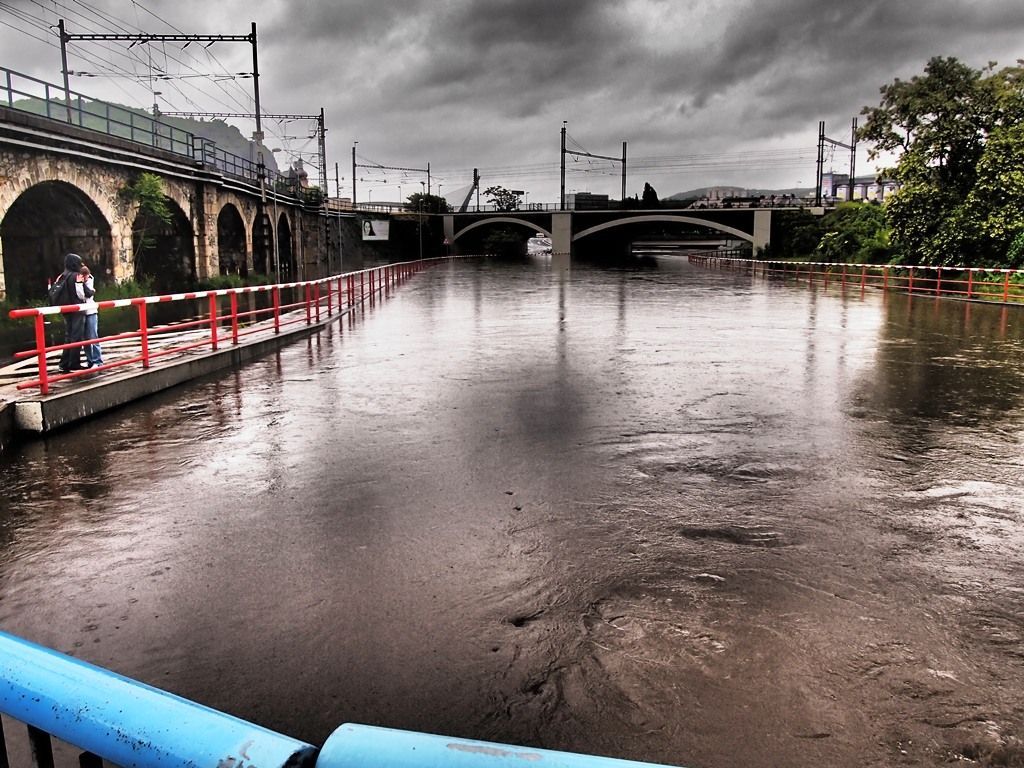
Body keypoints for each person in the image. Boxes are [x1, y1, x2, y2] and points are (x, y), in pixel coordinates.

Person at [53, 253, 86, 373]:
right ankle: (74, 363)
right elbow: (82, 293)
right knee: (76, 336)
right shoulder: (77, 275)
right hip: (77, 309)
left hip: (65, 308)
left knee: (68, 336)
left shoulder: (62, 275)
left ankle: (64, 363)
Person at [80, 264, 103, 368]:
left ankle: (97, 360)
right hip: (82, 312)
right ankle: (90, 360)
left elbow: (87, 294)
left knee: (93, 336)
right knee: (85, 339)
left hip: (91, 311)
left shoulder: (89, 280)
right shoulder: (79, 281)